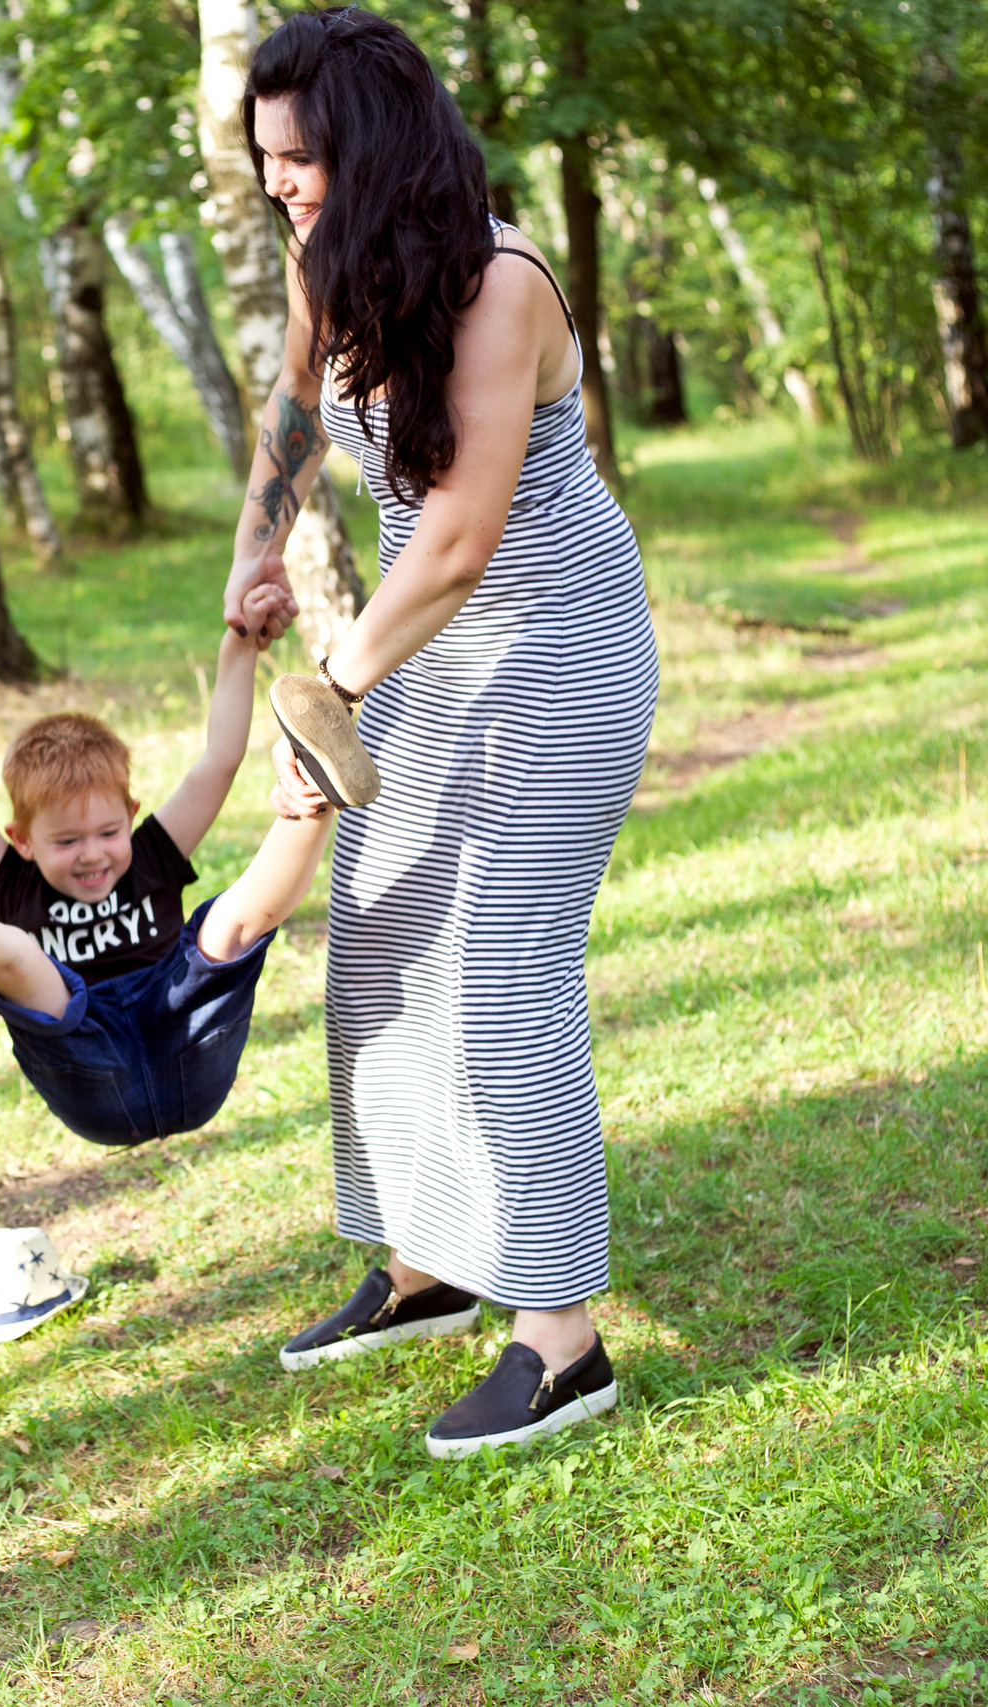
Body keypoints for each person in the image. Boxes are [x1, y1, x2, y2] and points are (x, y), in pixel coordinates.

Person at [228, 9, 659, 1456]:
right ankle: (427, 1266)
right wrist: (258, 541)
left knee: (500, 970)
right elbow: (297, 404)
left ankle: (562, 1340)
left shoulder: (502, 285)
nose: (278, 181)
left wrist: (331, 690)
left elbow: (463, 537)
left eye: (300, 156)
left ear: (375, 146)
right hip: (425, 650)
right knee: (380, 944)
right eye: (265, 156)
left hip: (553, 645)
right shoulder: (329, 264)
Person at [0, 594, 332, 1146]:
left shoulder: (153, 854)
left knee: (227, 925)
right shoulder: (12, 878)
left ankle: (315, 788)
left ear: (131, 816)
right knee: (19, 958)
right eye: (67, 841)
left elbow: (219, 761)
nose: (92, 854)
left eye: (108, 833)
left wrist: (238, 646)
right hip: (91, 1069)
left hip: (185, 1039)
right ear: (22, 840)